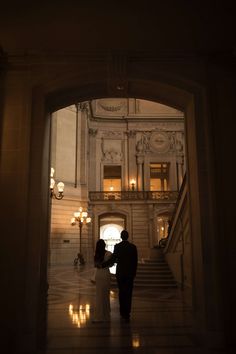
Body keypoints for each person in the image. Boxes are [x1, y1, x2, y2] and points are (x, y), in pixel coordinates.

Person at [101, 230, 138, 322]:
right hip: (129, 274)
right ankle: (127, 313)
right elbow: (135, 262)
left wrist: (103, 265)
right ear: (128, 236)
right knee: (129, 293)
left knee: (122, 292)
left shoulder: (117, 247)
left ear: (121, 237)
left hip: (120, 273)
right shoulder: (133, 247)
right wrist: (134, 273)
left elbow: (113, 259)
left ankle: (122, 312)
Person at [93, 239, 112, 322]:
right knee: (105, 294)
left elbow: (96, 265)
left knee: (99, 296)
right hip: (106, 274)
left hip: (99, 275)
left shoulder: (96, 255)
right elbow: (111, 264)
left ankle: (99, 316)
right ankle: (106, 313)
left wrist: (101, 265)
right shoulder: (109, 254)